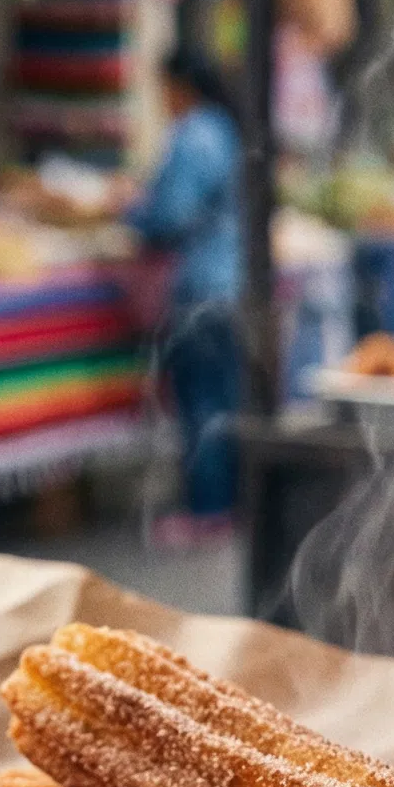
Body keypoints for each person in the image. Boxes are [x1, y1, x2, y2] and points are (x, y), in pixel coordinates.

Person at [120, 41, 244, 539]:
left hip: (203, 287)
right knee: (225, 398)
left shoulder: (193, 136)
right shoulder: (226, 130)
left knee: (202, 402)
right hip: (235, 283)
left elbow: (168, 216)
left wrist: (129, 210)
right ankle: (229, 504)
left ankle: (208, 509)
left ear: (177, 87)